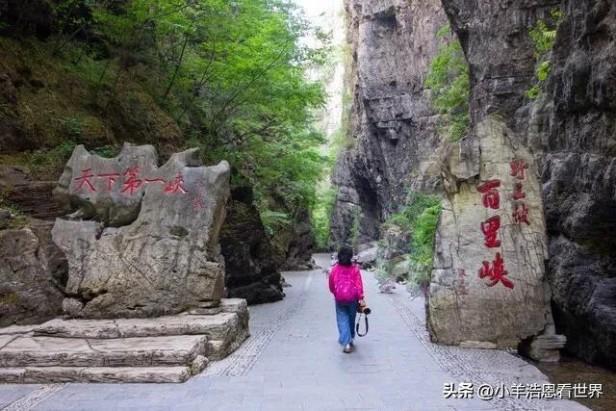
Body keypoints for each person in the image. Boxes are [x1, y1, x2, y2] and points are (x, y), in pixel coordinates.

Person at [328, 246, 364, 353]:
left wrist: (335, 293)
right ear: (350, 257)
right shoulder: (355, 269)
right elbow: (359, 285)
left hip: (339, 298)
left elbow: (331, 284)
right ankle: (350, 338)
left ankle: (346, 342)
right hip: (352, 298)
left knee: (342, 319)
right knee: (351, 318)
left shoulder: (335, 269)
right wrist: (361, 298)